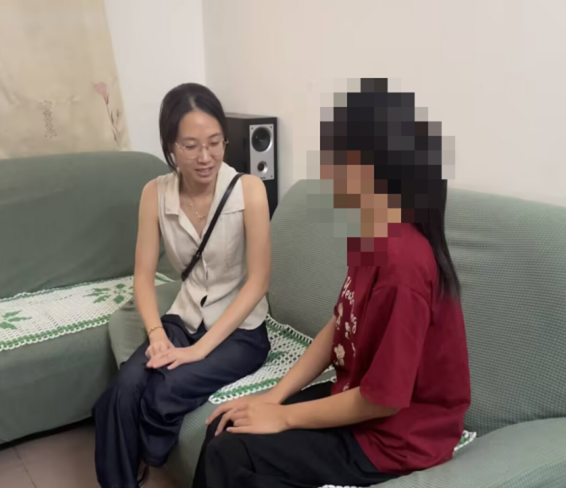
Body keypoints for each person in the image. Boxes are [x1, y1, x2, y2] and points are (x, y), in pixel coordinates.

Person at [192, 79, 472, 488]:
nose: (329, 173)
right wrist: (272, 397)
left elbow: (383, 399)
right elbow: (341, 323)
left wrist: (284, 417)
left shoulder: (405, 263)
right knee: (227, 427)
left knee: (231, 453)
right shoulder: (371, 233)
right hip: (356, 401)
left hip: (397, 438)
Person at [93, 83, 272, 488]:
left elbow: (259, 281)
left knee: (163, 391)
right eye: (191, 146)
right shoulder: (154, 194)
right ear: (171, 146)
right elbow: (142, 276)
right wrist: (157, 334)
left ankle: (142, 452)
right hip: (183, 318)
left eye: (215, 143)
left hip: (240, 333)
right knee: (123, 389)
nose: (205, 157)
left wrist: (199, 350)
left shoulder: (250, 191)